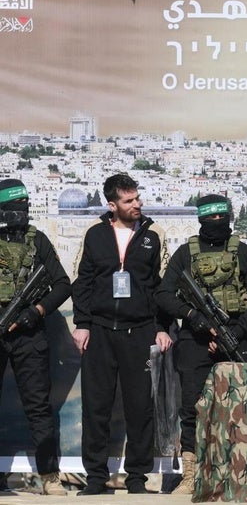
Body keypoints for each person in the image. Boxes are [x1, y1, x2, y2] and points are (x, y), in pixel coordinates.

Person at [155, 194, 247, 495]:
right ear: (202, 220)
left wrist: (236, 329)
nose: (217, 224)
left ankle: (240, 471)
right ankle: (191, 474)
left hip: (236, 339)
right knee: (191, 408)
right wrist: (193, 317)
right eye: (211, 219)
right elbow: (164, 295)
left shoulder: (245, 254)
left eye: (222, 218)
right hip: (195, 340)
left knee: (239, 407)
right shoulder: (185, 255)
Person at [71, 173, 172, 495]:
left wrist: (161, 328)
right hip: (100, 331)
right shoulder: (95, 233)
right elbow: (82, 280)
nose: (137, 204)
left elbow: (162, 286)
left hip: (140, 332)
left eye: (137, 198)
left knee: (140, 408)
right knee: (95, 406)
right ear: (112, 204)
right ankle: (96, 478)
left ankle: (137, 478)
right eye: (129, 201)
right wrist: (82, 323)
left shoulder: (154, 233)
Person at [0, 179, 71, 496]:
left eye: (24, 206)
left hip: (28, 332)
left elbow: (62, 284)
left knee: (39, 407)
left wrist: (37, 311)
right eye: (16, 207)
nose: (22, 212)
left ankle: (49, 476)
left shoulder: (37, 240)